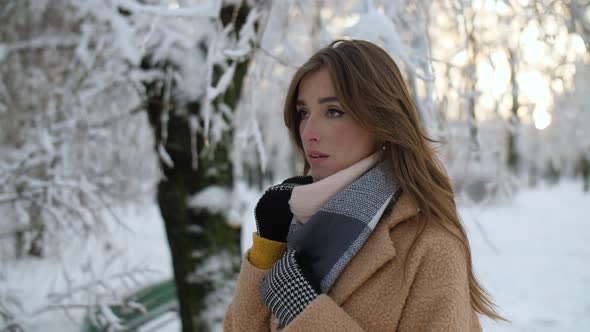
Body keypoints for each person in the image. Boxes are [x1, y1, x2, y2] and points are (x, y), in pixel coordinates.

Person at [224, 39, 504, 331]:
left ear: (381, 120)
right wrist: (268, 248)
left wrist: (304, 313)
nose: (308, 131)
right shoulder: (298, 221)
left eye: (333, 111)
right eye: (303, 113)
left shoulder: (431, 244)